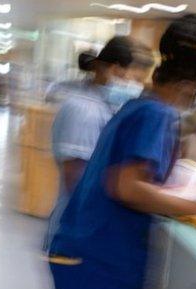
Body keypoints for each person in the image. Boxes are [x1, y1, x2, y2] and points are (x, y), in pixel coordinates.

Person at [47, 14, 196, 289]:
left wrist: (191, 130)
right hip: (100, 260)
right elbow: (127, 187)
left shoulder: (140, 106)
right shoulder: (156, 115)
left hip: (80, 251)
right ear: (190, 87)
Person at [46, 37, 142, 246]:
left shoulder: (105, 105)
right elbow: (76, 179)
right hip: (75, 230)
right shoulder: (83, 110)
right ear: (113, 69)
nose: (130, 85)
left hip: (87, 227)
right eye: (126, 77)